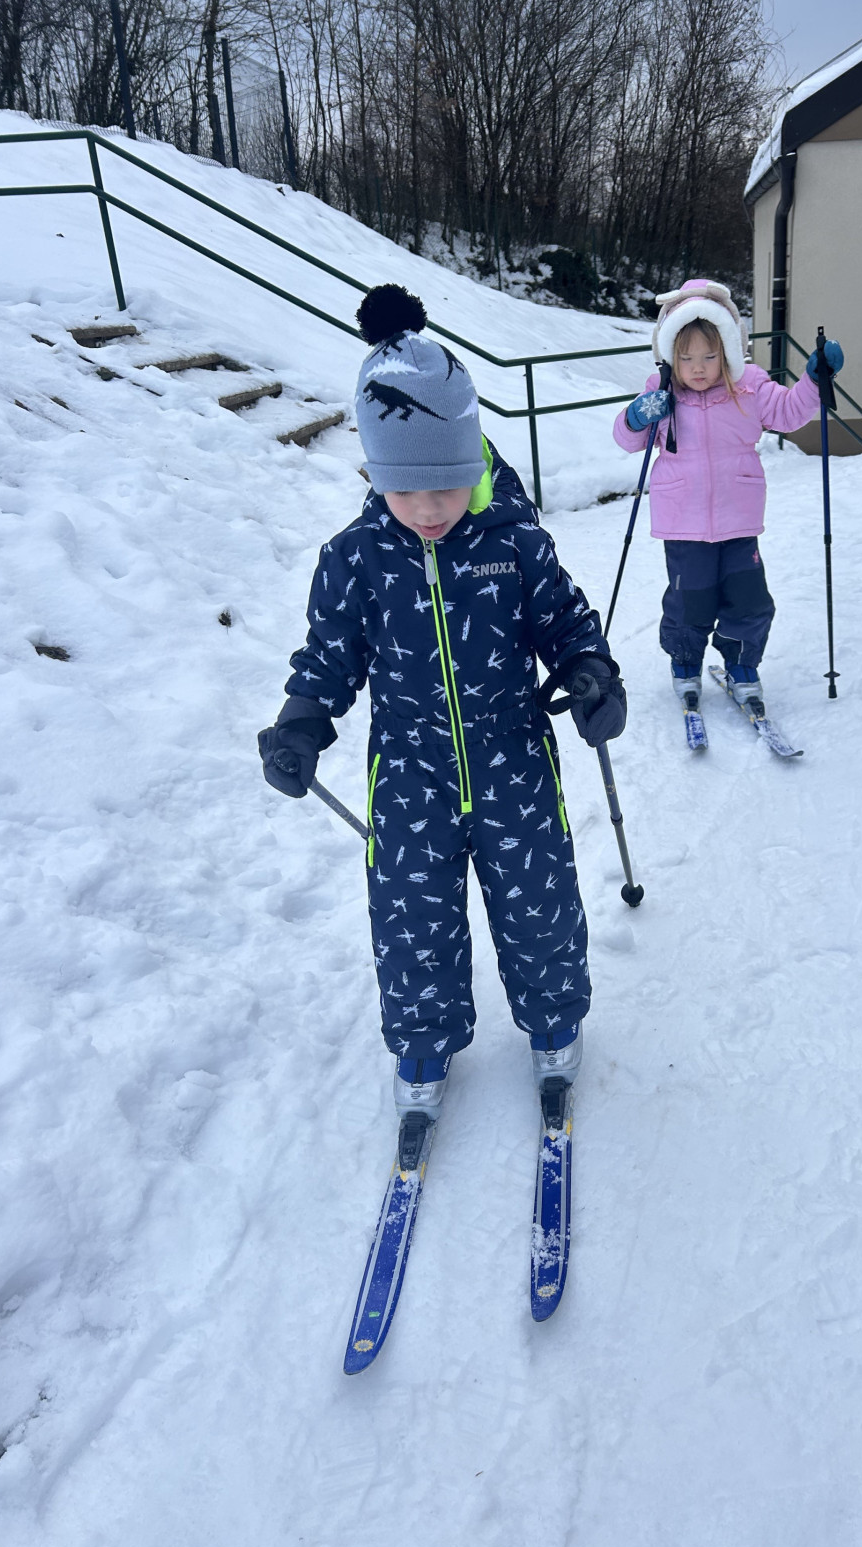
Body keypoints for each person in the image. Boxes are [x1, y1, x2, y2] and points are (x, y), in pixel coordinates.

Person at [258, 284, 625, 1127]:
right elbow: (329, 653)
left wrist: (591, 672)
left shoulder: (514, 543)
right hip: (408, 770)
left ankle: (553, 1020)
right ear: (375, 471)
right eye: (405, 488)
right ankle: (423, 1039)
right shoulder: (355, 558)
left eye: (447, 485)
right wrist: (302, 721)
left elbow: (565, 620)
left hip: (514, 757)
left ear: (473, 461)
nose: (428, 508)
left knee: (539, 901)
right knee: (411, 913)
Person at [612, 278, 843, 718]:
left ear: (730, 352)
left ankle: (742, 666)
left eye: (709, 357)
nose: (698, 368)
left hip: (739, 520)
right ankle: (685, 662)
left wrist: (815, 380)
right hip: (683, 523)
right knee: (689, 601)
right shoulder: (661, 391)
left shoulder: (749, 387)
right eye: (686, 358)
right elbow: (628, 440)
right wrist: (637, 416)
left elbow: (790, 412)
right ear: (669, 355)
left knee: (749, 600)